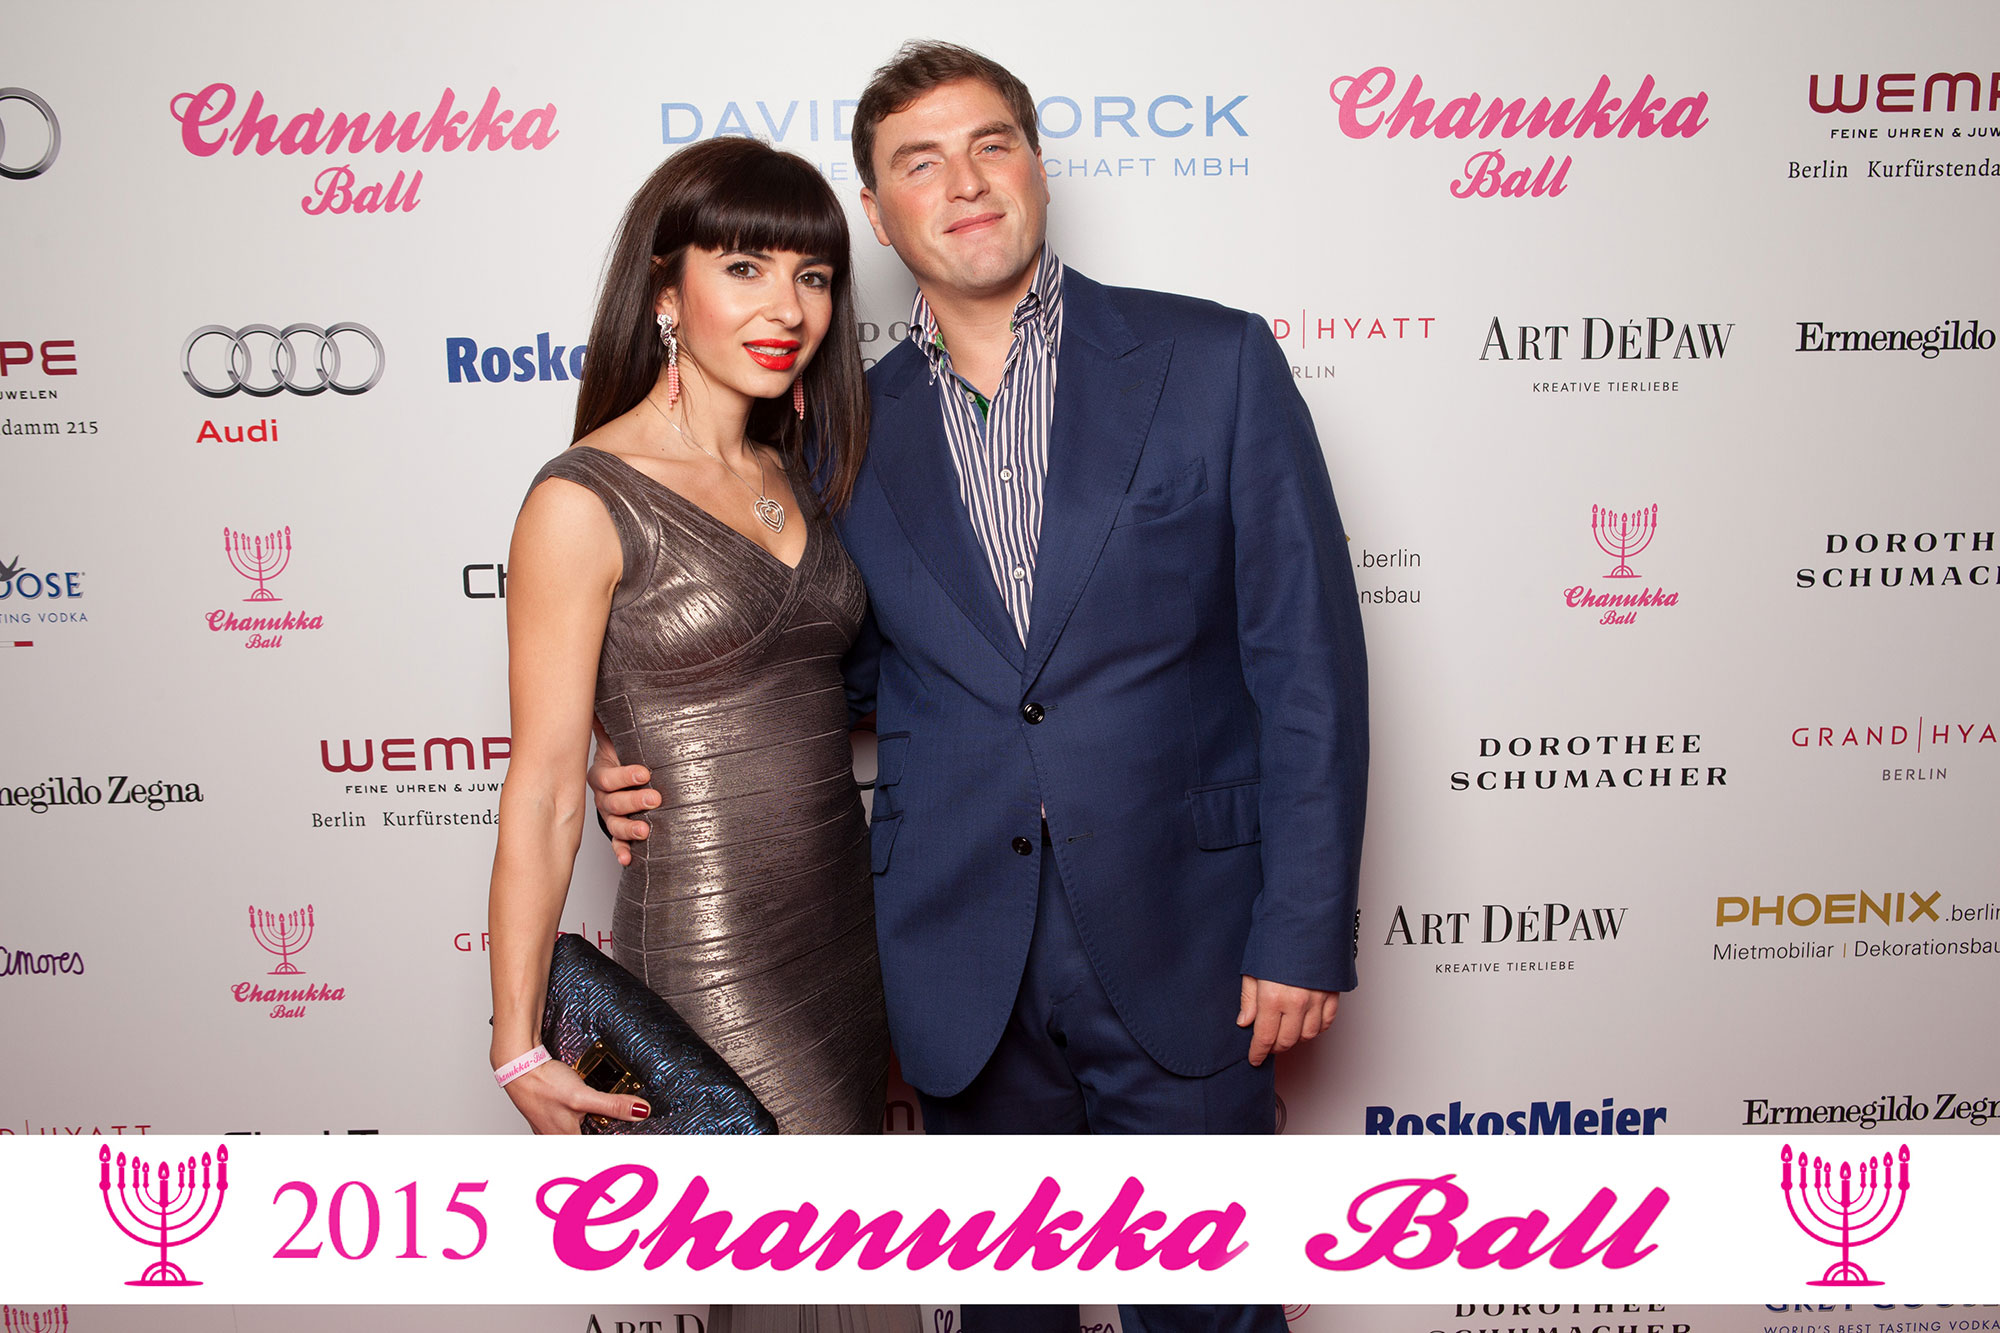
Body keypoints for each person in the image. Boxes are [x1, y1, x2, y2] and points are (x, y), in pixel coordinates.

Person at [596, 42, 1368, 1333]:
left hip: (1188, 944)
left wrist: (1301, 928)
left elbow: (1307, 664)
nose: (962, 182)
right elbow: (808, 663)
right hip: (957, 964)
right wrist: (630, 746)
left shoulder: (1213, 360)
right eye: (920, 162)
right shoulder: (837, 432)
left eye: (989, 145)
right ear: (876, 212)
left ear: (1038, 170)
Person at [486, 137, 895, 1141]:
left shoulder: (800, 470)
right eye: (745, 267)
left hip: (849, 935)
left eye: (813, 276)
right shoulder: (582, 497)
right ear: (666, 292)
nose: (787, 308)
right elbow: (542, 789)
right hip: (712, 950)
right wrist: (518, 1045)